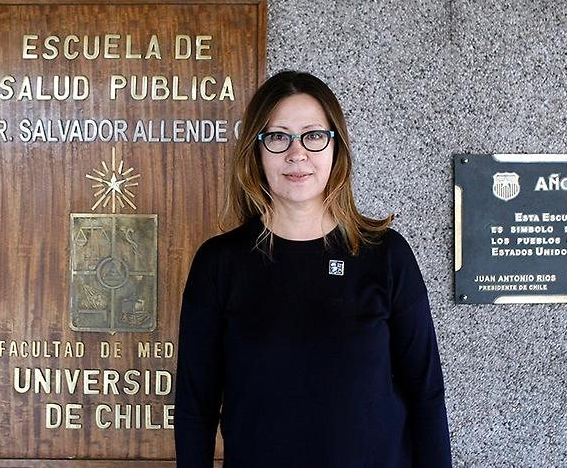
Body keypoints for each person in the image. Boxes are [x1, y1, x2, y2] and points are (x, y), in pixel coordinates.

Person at [175, 71, 452, 468]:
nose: (296, 153)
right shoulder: (219, 264)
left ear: (336, 147)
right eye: (278, 136)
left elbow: (426, 394)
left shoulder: (386, 255)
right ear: (256, 150)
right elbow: (194, 407)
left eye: (313, 135)